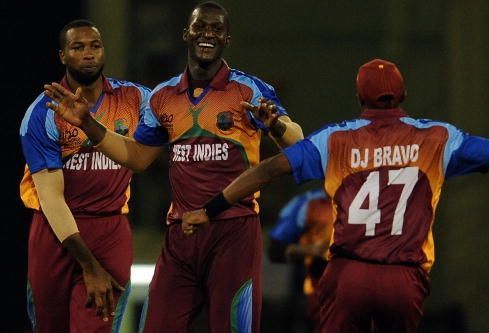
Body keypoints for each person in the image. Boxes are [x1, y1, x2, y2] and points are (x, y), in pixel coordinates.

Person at [181, 58, 489, 332]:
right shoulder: (437, 137)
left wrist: (211, 208)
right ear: (404, 95)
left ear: (360, 98)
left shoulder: (336, 139)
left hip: (347, 276)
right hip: (404, 277)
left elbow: (268, 170)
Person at [42, 2, 304, 332]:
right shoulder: (163, 96)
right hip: (181, 236)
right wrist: (88, 124)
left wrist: (277, 126)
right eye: (201, 27)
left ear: (227, 39)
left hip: (233, 233)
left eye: (216, 29)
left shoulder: (249, 90)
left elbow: (297, 142)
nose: (208, 34)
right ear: (186, 34)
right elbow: (137, 158)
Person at [19, 19, 149, 332]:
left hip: (110, 228)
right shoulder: (42, 113)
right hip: (56, 233)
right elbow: (51, 199)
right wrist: (89, 265)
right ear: (63, 55)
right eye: (78, 47)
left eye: (95, 46)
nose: (88, 53)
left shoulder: (136, 99)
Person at [268, 188, 333, 332]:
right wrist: (312, 251)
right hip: (312, 291)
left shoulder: (373, 198)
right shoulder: (309, 202)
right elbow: (275, 250)